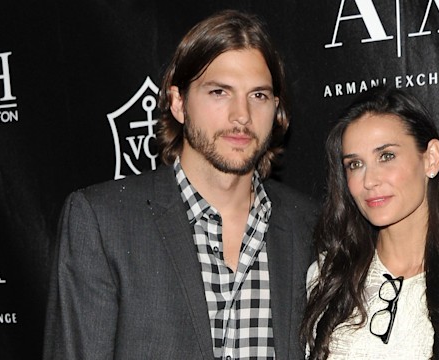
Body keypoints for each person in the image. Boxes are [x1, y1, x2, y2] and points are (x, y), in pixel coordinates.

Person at [43, 10, 316, 360]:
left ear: (276, 108)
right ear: (178, 102)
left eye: (258, 96)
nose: (242, 115)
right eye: (220, 92)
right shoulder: (103, 222)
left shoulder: (308, 225)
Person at [301, 87, 439, 360]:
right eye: (355, 164)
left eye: (386, 156)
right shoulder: (326, 277)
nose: (369, 180)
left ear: (431, 159)